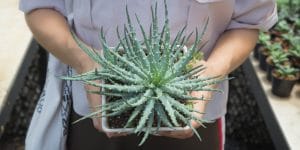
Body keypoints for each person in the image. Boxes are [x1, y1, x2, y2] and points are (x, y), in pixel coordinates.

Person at [19, 0, 277, 150]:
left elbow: (247, 21)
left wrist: (211, 72)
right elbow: (41, 7)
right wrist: (86, 63)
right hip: (95, 105)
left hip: (193, 107)